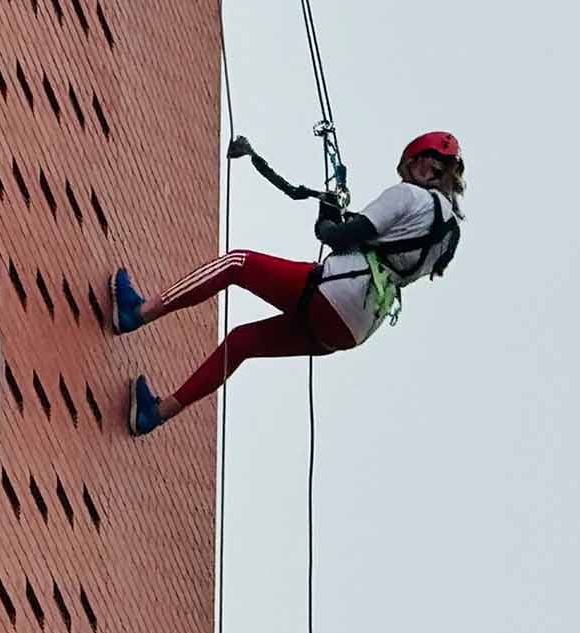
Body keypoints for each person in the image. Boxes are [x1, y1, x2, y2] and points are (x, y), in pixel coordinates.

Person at [110, 131, 466, 435]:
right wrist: (336, 220)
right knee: (244, 342)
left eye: (426, 163)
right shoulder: (450, 236)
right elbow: (387, 251)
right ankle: (154, 415)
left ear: (414, 164)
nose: (423, 169)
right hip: (354, 329)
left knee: (238, 264)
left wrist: (327, 218)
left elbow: (339, 238)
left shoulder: (407, 195)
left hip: (337, 292)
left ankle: (137, 312)